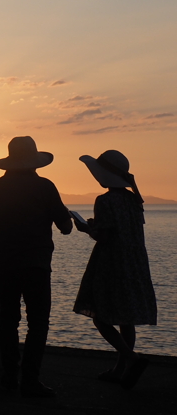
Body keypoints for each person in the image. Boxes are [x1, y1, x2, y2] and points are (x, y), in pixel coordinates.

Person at [0, 136, 73, 398]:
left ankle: (9, 376)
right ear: (35, 161)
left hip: (4, 260)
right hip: (36, 262)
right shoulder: (45, 187)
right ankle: (30, 380)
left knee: (8, 319)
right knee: (38, 321)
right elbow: (65, 228)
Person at [72, 150, 157, 389]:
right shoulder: (133, 200)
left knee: (101, 315)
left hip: (111, 262)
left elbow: (105, 235)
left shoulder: (105, 200)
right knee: (125, 317)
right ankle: (121, 368)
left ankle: (131, 359)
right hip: (134, 261)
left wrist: (86, 229)